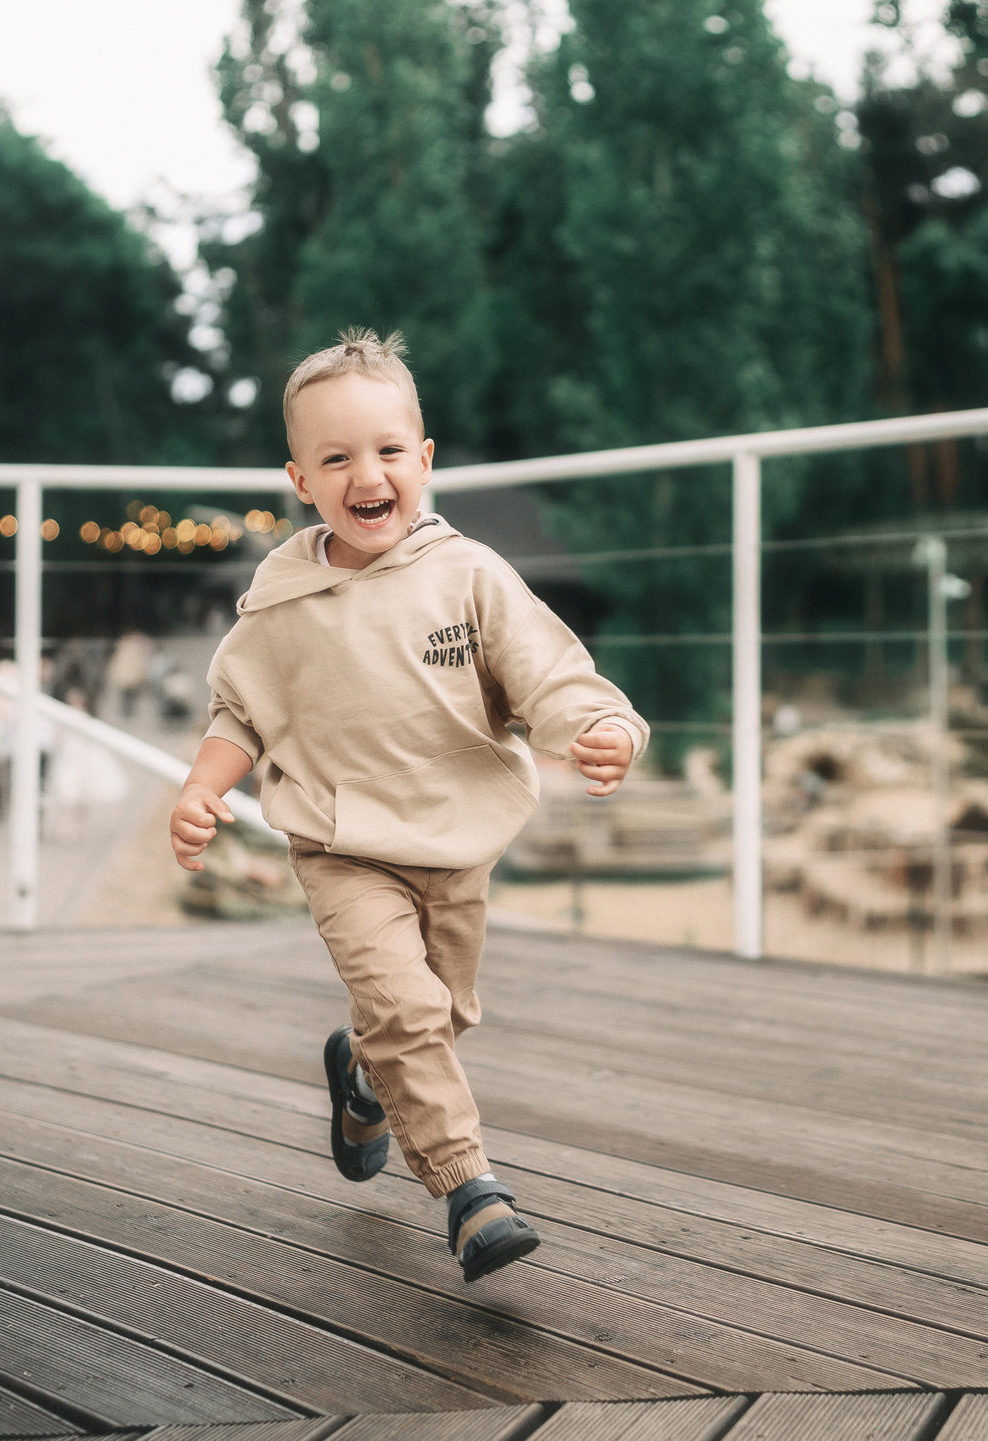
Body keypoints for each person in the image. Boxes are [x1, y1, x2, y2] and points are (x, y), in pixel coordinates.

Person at [168, 329, 644, 1283]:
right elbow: (241, 711)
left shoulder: (469, 575)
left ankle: (361, 1071)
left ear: (424, 461)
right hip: (342, 843)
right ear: (301, 479)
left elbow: (549, 676)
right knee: (407, 1005)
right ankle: (470, 1191)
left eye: (387, 450)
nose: (366, 473)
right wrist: (201, 787)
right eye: (336, 457)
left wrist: (602, 727)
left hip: (454, 841)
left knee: (443, 1011)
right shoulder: (282, 597)